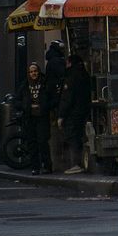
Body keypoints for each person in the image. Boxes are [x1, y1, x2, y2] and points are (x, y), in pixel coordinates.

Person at [59, 51, 93, 174]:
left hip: (73, 112)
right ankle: (79, 162)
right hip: (83, 110)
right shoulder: (84, 75)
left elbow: (67, 98)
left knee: (72, 136)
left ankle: (76, 163)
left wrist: (61, 115)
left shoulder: (71, 77)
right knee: (79, 135)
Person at [20, 62, 55, 173]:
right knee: (32, 142)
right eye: (31, 72)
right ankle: (35, 167)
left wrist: (45, 107)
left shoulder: (45, 84)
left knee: (42, 141)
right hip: (30, 117)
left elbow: (53, 98)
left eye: (35, 71)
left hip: (42, 116)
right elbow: (17, 99)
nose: (33, 73)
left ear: (38, 71)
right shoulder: (25, 85)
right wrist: (25, 107)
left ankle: (47, 166)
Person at [44, 41, 67, 171]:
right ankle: (60, 159)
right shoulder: (57, 62)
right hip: (56, 100)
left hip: (52, 99)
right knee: (59, 130)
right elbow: (62, 77)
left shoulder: (51, 61)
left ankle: (57, 159)